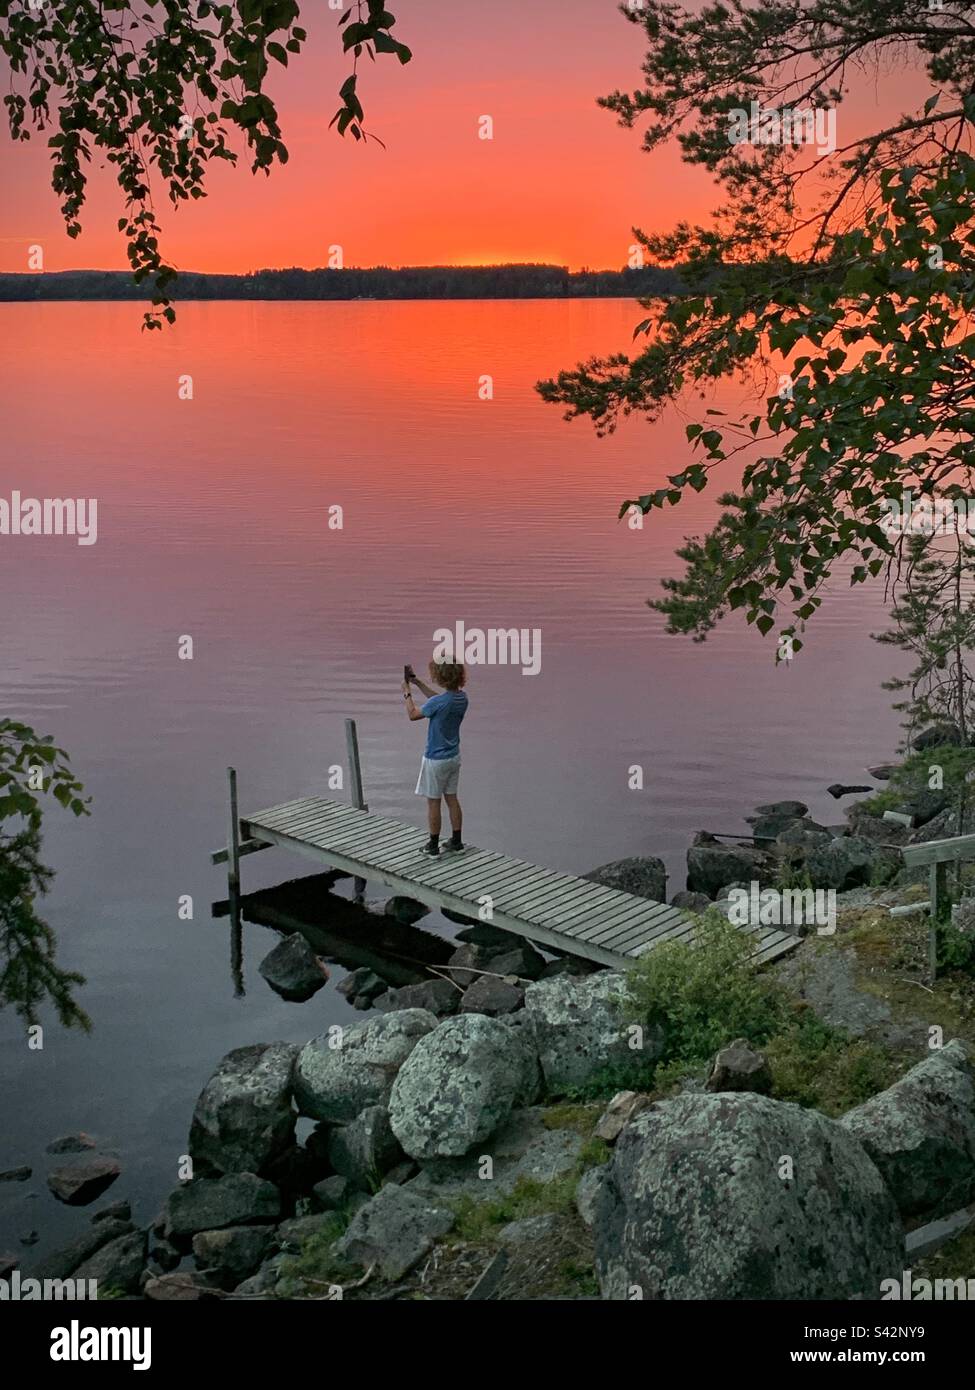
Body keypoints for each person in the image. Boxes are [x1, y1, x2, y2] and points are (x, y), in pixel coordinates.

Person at [402, 660, 468, 856]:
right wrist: (418, 682)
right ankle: (456, 842)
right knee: (452, 799)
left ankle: (432, 846)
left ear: (441, 677)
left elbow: (413, 714)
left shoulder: (438, 703)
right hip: (453, 757)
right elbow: (438, 700)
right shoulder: (461, 698)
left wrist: (407, 693)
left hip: (435, 760)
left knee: (433, 803)